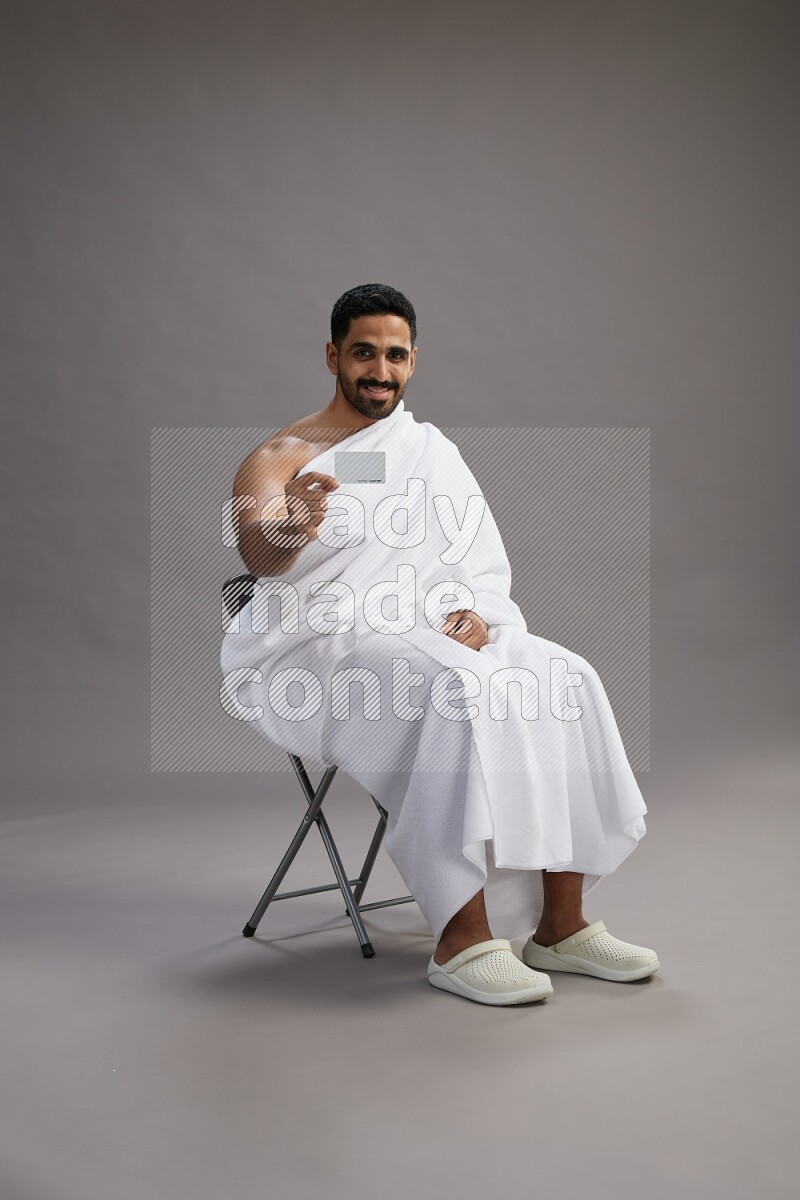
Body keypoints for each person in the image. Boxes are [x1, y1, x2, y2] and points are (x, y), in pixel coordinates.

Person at [220, 282, 659, 1007]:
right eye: (364, 354)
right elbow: (260, 555)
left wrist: (483, 615)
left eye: (395, 356)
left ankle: (562, 925)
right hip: (319, 646)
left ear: (413, 361)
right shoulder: (281, 456)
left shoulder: (416, 450)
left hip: (423, 625)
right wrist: (291, 526)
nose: (380, 372)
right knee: (455, 689)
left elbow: (471, 551)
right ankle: (460, 938)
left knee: (563, 675)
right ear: (333, 355)